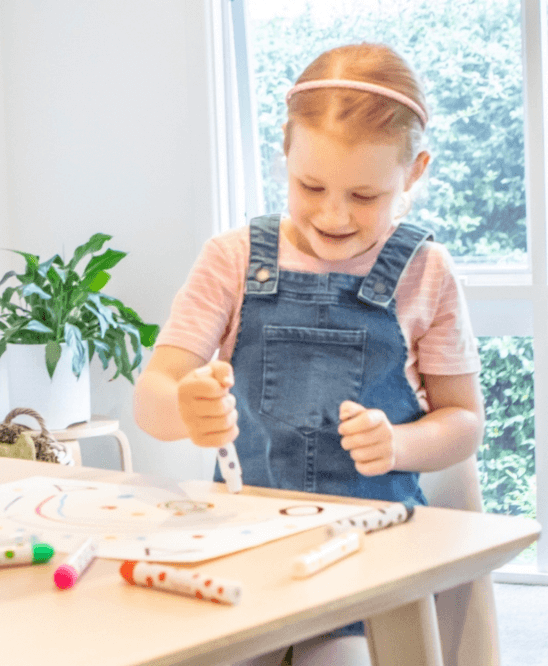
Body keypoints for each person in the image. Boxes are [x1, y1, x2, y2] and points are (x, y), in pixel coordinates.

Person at [133, 42, 485, 666]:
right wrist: (184, 407)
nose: (333, 213)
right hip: (245, 549)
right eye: (311, 185)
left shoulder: (427, 272)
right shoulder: (232, 259)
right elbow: (152, 399)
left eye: (365, 195)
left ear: (415, 171)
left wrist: (400, 445)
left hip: (371, 565)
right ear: (285, 152)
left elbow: (464, 422)